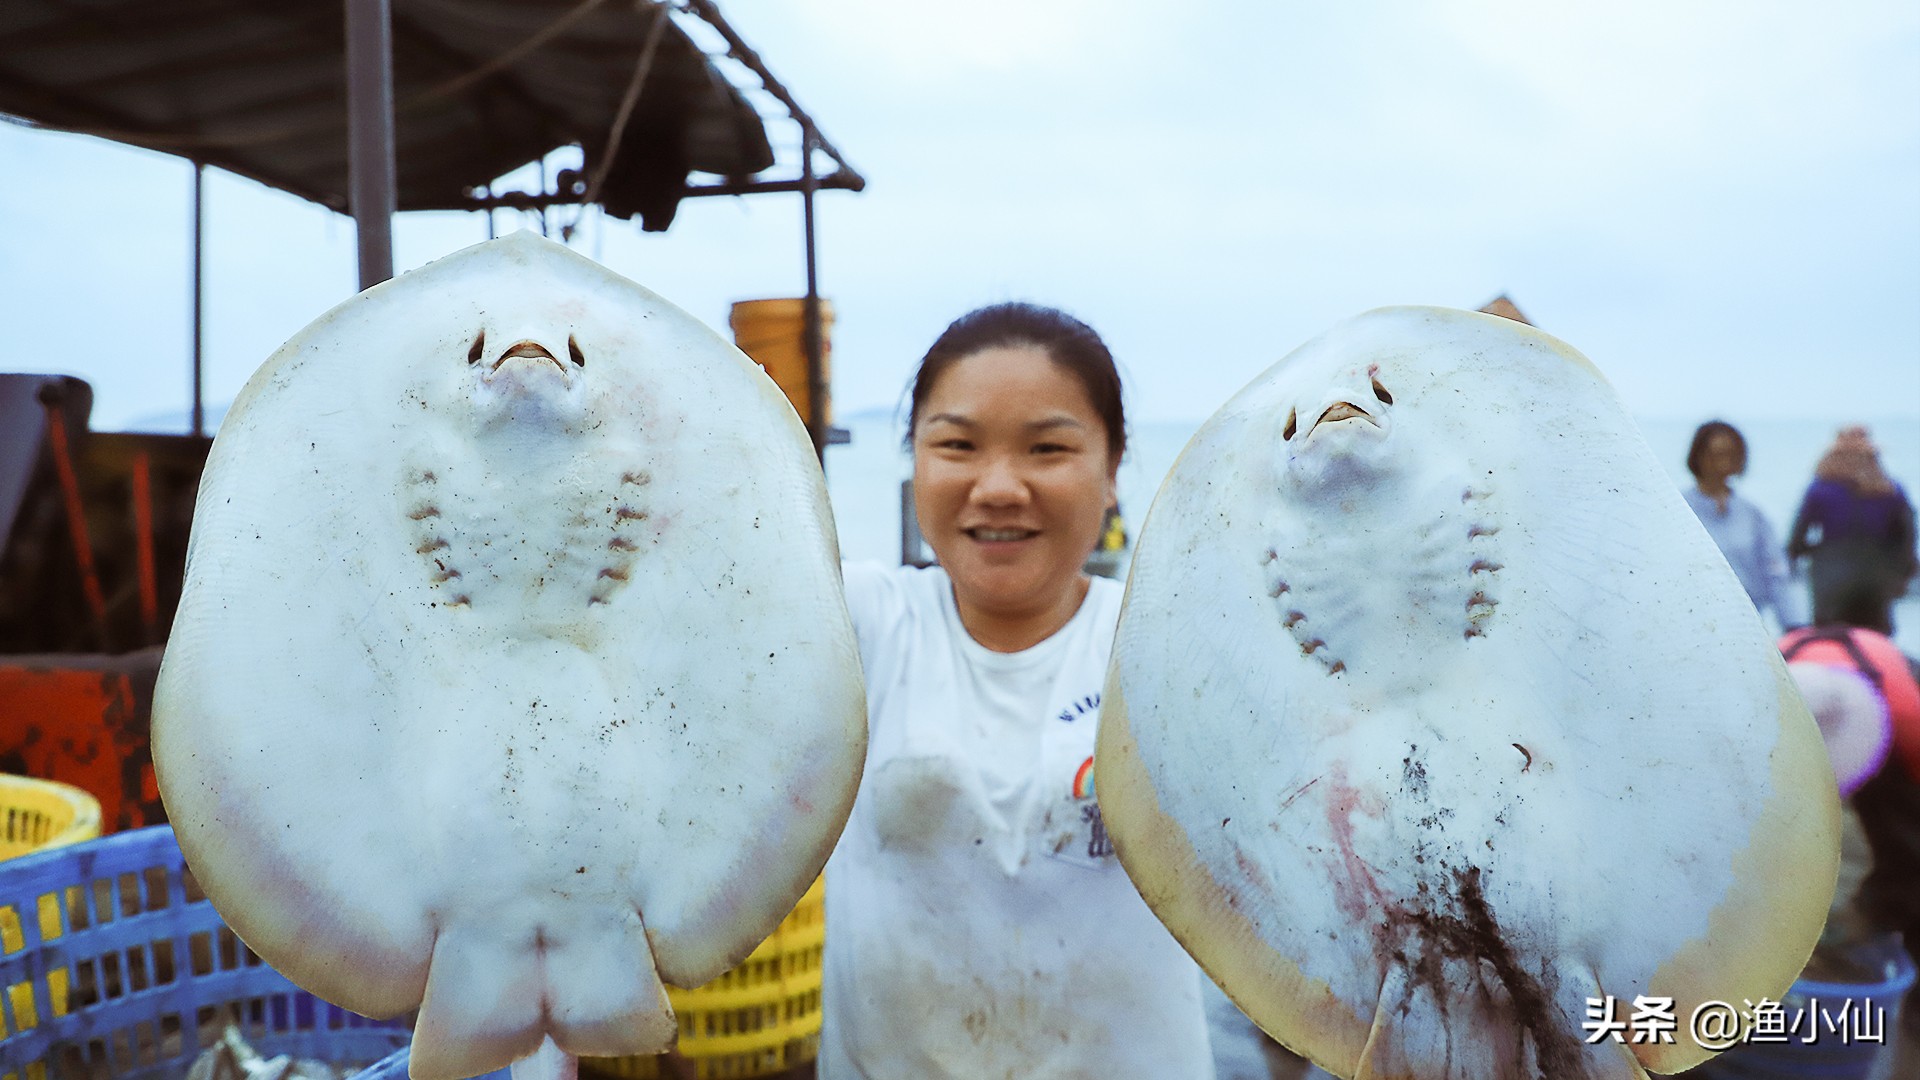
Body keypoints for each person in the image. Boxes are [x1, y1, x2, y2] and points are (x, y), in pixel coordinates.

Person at [818, 303, 1216, 1078]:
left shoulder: (1171, 648)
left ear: (1112, 467)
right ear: (915, 461)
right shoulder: (854, 625)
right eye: (958, 445)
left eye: (1048, 448)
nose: (998, 487)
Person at [1786, 425, 1919, 636]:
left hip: (1831, 578)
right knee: (1875, 640)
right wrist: (1902, 574)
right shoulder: (1891, 489)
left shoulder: (1820, 488)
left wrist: (1807, 554)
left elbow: (1797, 538)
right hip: (1877, 578)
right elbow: (1906, 540)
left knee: (1830, 640)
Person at [1680, 420, 1795, 627]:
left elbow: (1776, 573)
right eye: (1715, 454)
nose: (1722, 462)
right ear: (1698, 456)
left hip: (1747, 623)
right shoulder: (1678, 509)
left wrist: (1794, 626)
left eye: (1729, 454)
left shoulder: (1752, 515)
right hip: (1692, 622)